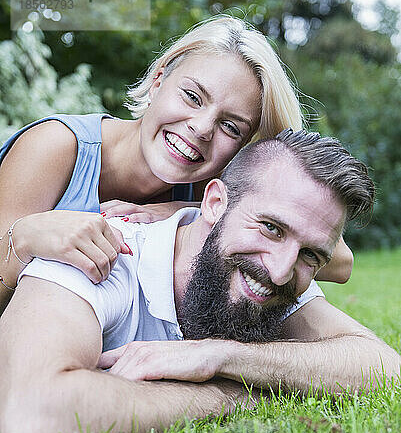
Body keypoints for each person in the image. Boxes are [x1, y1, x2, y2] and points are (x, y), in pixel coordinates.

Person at [0, 130, 399, 433]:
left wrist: (220, 355)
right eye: (271, 228)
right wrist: (233, 393)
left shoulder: (279, 272)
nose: (279, 271)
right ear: (214, 203)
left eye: (311, 254)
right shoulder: (103, 257)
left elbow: (386, 370)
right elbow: (28, 418)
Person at [0, 16, 352, 316]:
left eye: (231, 126)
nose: (201, 128)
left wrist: (185, 212)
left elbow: (339, 261)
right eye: (192, 97)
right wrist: (26, 240)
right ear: (157, 82)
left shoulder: (207, 187)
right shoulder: (56, 147)